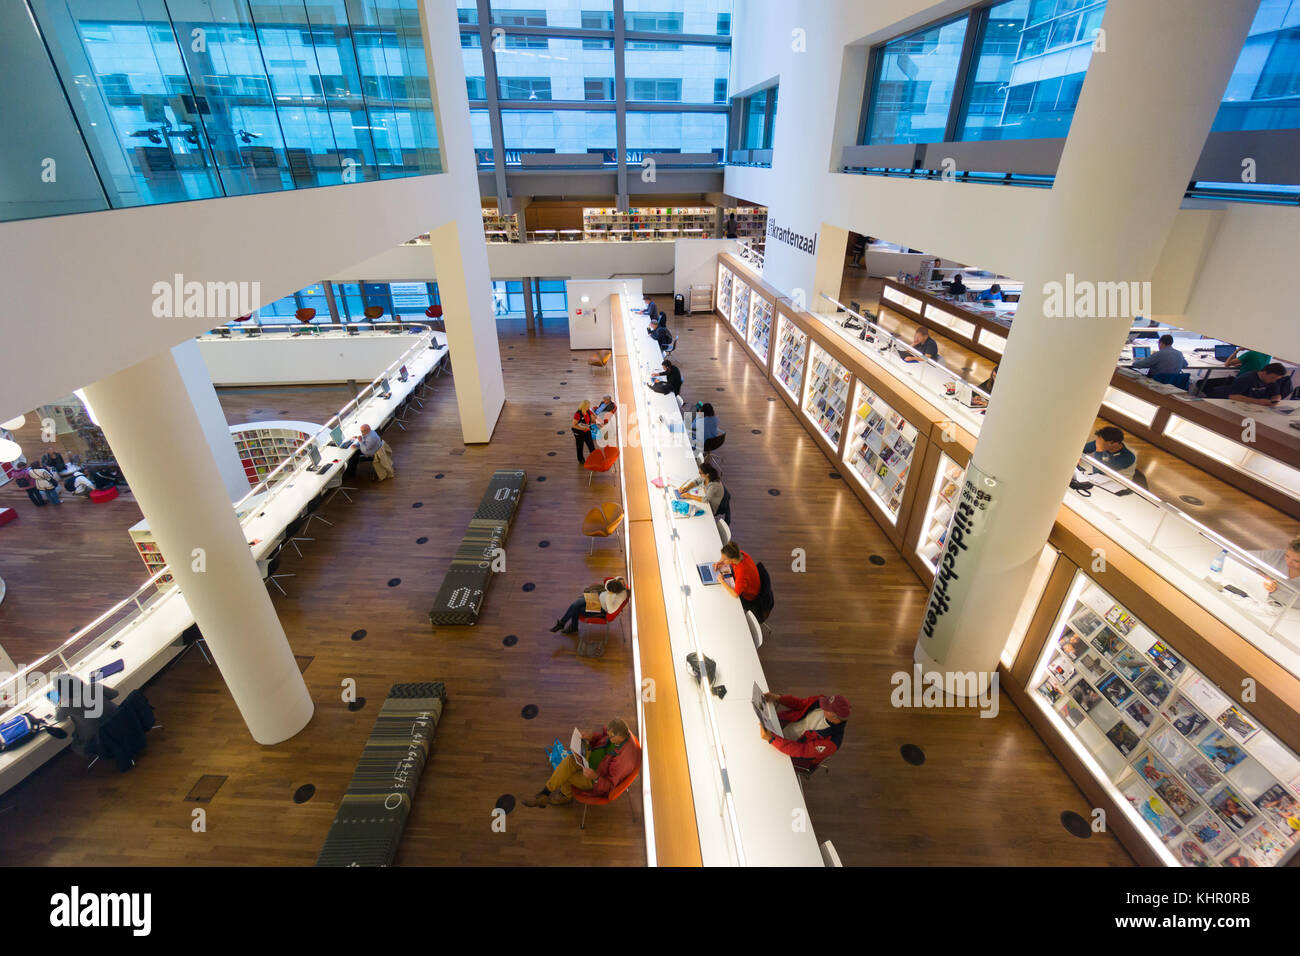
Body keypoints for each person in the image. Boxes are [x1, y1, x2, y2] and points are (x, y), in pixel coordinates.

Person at [522, 717, 640, 808]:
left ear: (621, 737)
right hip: (589, 760)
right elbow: (603, 738)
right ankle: (545, 793)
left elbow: (610, 786)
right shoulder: (619, 733)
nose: (608, 738)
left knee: (566, 775)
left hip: (594, 779)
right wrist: (591, 737)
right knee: (568, 761)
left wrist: (595, 777)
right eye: (608, 735)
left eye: (611, 737)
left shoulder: (624, 760)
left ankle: (565, 796)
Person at [758, 691, 850, 771]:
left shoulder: (831, 742)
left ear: (834, 716)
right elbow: (800, 704)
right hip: (779, 729)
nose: (822, 705)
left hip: (788, 753)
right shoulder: (821, 701)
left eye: (826, 707)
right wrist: (778, 698)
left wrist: (772, 739)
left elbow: (800, 750)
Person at [550, 576, 628, 635]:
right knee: (575, 604)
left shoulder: (622, 595)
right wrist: (615, 582)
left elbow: (611, 610)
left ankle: (571, 627)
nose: (622, 582)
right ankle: (562, 624)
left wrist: (610, 595)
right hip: (597, 596)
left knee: (577, 609)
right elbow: (607, 582)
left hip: (601, 608)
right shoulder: (618, 581)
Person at [713, 540, 760, 614]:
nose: (722, 560)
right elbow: (728, 561)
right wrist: (721, 562)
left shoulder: (742, 572)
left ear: (731, 560)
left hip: (748, 597)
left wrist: (721, 581)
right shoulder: (739, 554)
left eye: (724, 559)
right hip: (746, 583)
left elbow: (735, 594)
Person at [1225, 363, 1290, 406]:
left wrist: (1276, 400)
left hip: (1259, 407)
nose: (1273, 381)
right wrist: (1257, 401)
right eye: (1272, 378)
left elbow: (1276, 395)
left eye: (1276, 379)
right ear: (1264, 373)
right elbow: (1233, 396)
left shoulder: (1273, 380)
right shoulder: (1246, 378)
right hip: (1242, 406)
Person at [572, 399, 596, 464]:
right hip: (579, 432)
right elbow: (573, 425)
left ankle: (595, 458)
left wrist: (597, 419)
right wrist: (582, 429)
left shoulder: (588, 411)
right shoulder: (578, 414)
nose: (588, 408)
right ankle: (581, 460)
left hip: (587, 431)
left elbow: (593, 420)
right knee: (580, 446)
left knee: (591, 446)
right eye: (587, 406)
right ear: (583, 406)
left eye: (589, 406)